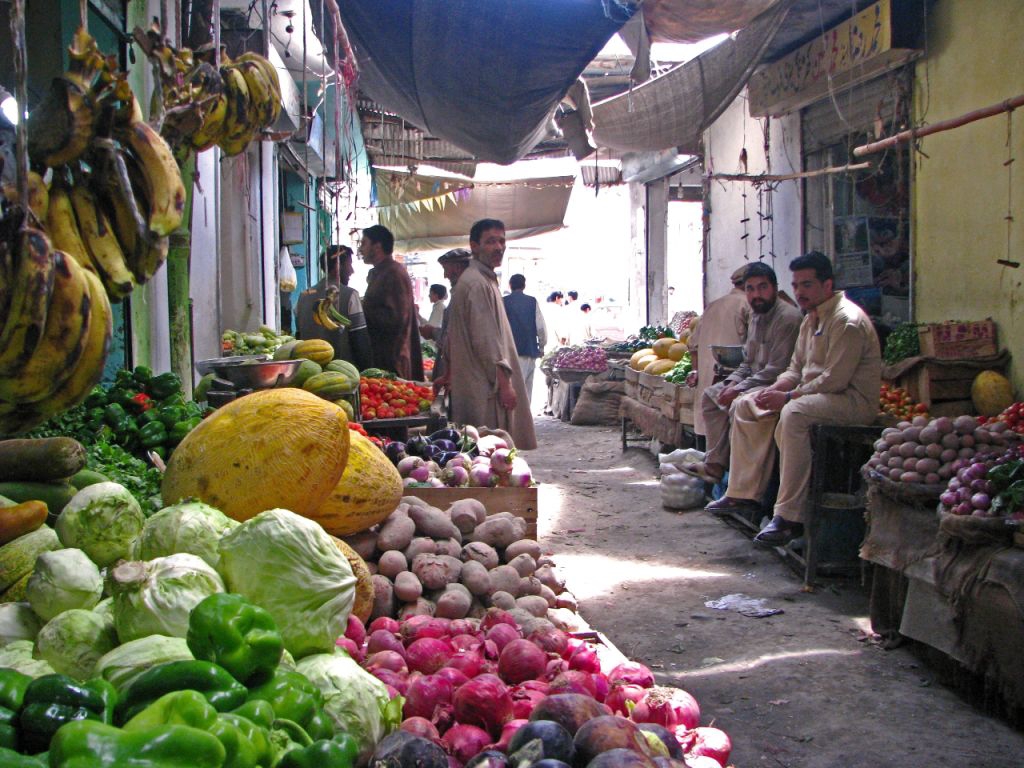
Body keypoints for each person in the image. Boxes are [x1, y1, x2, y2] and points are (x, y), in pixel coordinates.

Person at [705, 251, 882, 547]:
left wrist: (787, 395)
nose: (799, 292)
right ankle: (743, 494)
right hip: (819, 395)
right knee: (747, 402)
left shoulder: (845, 321)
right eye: (797, 285)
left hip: (851, 401)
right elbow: (795, 369)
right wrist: (773, 390)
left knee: (794, 414)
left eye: (807, 285)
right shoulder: (810, 319)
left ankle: (789, 517)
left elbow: (834, 380)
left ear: (828, 286)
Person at [682, 262, 802, 484]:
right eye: (750, 289)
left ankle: (745, 484)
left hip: (777, 383)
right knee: (711, 396)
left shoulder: (788, 318)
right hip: (754, 379)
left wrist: (737, 388)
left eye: (762, 287)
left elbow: (776, 369)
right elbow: (748, 362)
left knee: (738, 403)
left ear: (775, 288)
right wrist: (731, 382)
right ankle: (715, 464)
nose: (756, 294)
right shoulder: (756, 315)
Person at [446, 219, 537, 450]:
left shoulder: (482, 279)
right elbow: (487, 342)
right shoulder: (477, 283)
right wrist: (505, 386)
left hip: (480, 383)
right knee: (488, 452)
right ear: (474, 246)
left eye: (501, 241)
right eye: (490, 242)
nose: (498, 247)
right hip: (485, 388)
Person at [686, 266, 752, 438]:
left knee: (712, 434)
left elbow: (692, 345)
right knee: (732, 434)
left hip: (709, 379)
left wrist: (696, 371)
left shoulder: (712, 306)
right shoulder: (748, 305)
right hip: (731, 379)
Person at [359, 224, 424, 380]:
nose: (360, 249)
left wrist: (361, 311)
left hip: (392, 361)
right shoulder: (380, 272)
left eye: (364, 243)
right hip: (384, 358)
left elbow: (395, 319)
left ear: (377, 246)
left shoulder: (393, 273)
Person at [295, 245, 372, 370]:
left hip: (309, 372)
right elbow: (360, 342)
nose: (351, 271)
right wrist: (366, 372)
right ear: (337, 267)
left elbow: (298, 336)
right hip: (341, 375)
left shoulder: (303, 297)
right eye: (349, 264)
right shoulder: (350, 295)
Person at [429, 248, 472, 391]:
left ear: (457, 268)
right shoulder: (459, 293)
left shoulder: (465, 294)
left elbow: (455, 335)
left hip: (462, 372)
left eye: (446, 269)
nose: (445, 275)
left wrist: (433, 333)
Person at [502, 273, 548, 407]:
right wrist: (541, 347)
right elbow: (540, 327)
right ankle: (525, 421)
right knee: (527, 389)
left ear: (510, 285)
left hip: (508, 352)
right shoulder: (532, 302)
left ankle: (513, 420)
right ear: (524, 285)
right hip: (529, 350)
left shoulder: (503, 302)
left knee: (512, 387)